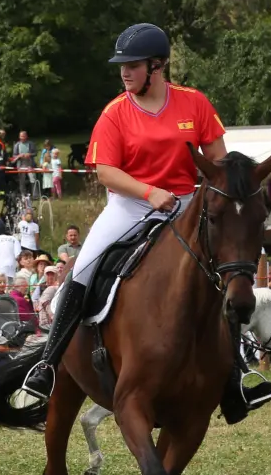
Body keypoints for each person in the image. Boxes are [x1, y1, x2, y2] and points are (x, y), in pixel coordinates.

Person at [21, 23, 229, 400]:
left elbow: (218, 158)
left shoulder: (194, 102)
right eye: (121, 65)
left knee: (226, 273)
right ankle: (48, 364)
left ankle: (237, 376)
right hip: (131, 205)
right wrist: (149, 193)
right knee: (82, 270)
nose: (123, 71)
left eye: (132, 64)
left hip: (186, 204)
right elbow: (105, 172)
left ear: (157, 65)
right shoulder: (115, 112)